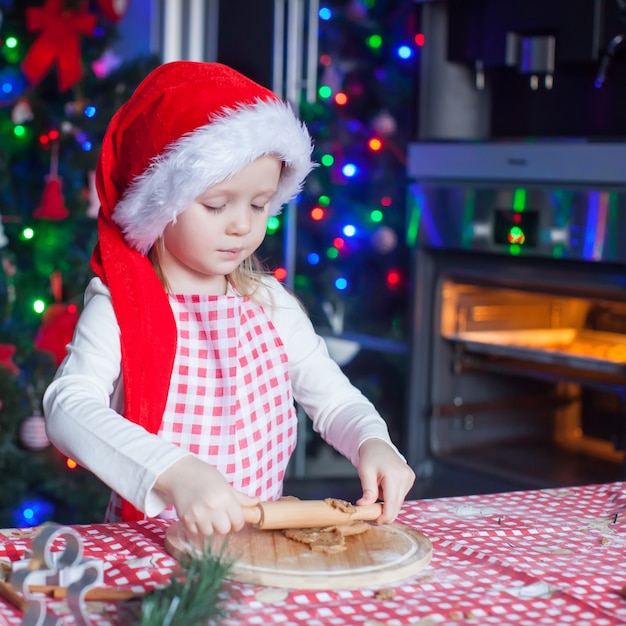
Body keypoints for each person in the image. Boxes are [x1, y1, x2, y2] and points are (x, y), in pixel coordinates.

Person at [43, 61, 415, 544]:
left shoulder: (269, 303)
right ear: (162, 204)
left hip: (257, 548)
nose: (242, 225)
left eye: (259, 204)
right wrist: (174, 473)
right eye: (217, 205)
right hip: (151, 552)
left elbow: (335, 400)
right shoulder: (120, 306)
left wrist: (372, 441)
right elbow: (67, 407)